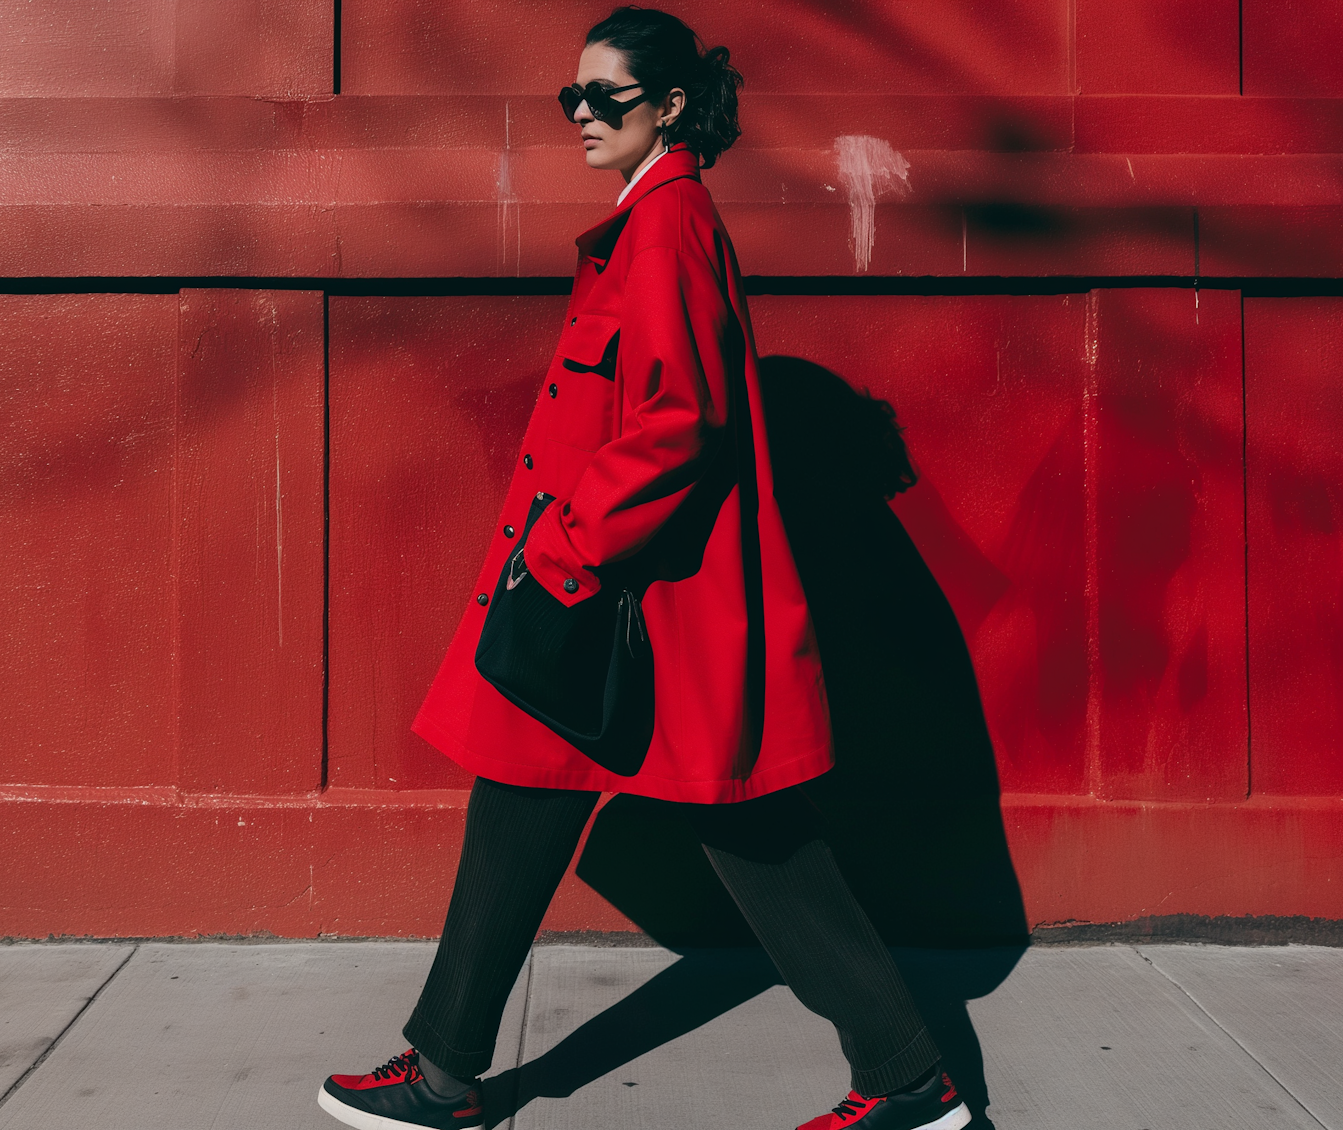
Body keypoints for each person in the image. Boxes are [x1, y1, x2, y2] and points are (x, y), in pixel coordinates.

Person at [316, 8, 969, 1130]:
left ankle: (910, 1078)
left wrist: (565, 547)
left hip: (638, 594)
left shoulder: (666, 226)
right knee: (522, 792)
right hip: (624, 594)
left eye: (604, 98)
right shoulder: (652, 220)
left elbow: (680, 421)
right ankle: (444, 1071)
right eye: (572, 97)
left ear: (669, 107)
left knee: (755, 836)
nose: (581, 116)